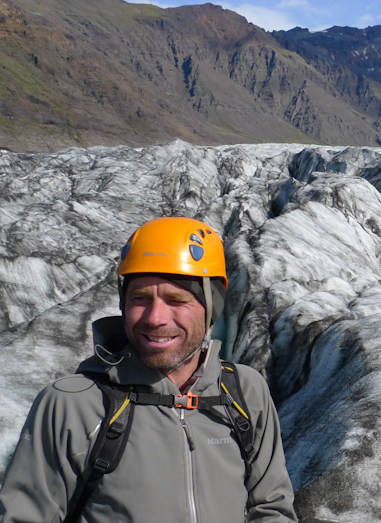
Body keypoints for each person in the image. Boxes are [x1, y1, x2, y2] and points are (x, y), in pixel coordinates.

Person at [0, 217, 297, 522]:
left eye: (176, 299)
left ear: (213, 305)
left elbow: (271, 508)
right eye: (140, 299)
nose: (155, 318)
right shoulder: (72, 405)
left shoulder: (244, 392)